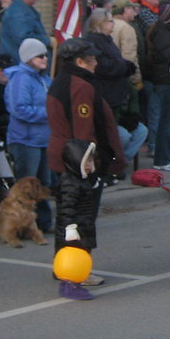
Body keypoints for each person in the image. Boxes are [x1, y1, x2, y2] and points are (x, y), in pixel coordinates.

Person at [46, 38, 125, 288]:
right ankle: (77, 268)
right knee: (82, 217)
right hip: (77, 159)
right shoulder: (80, 86)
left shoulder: (62, 81)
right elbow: (83, 130)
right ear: (79, 61)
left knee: (67, 216)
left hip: (63, 155)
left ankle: (63, 265)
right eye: (91, 59)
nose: (95, 62)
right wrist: (88, 161)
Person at [84, 8, 146, 170]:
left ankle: (118, 162)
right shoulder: (93, 41)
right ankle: (109, 163)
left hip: (117, 94)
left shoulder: (108, 40)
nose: (113, 24)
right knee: (116, 135)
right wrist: (124, 66)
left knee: (139, 131)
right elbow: (103, 66)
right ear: (100, 23)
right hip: (105, 95)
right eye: (110, 21)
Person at [5, 38, 54, 230]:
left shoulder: (44, 78)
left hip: (43, 139)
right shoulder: (21, 78)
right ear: (28, 58)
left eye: (45, 55)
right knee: (27, 185)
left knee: (43, 184)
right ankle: (21, 223)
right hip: (26, 140)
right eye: (40, 55)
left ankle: (43, 222)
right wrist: (48, 113)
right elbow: (19, 109)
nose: (45, 58)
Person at [53, 139, 103, 300]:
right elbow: (67, 207)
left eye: (90, 160)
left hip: (83, 224)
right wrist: (70, 227)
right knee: (73, 256)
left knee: (83, 253)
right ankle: (70, 285)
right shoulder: (70, 183)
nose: (89, 164)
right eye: (85, 160)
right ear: (75, 160)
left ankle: (78, 279)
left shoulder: (80, 179)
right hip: (75, 227)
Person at [141, 1, 170, 172]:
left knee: (164, 120)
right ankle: (162, 159)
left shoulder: (163, 32)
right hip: (165, 82)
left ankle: (163, 156)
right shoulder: (164, 35)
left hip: (164, 81)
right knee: (167, 122)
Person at [0, 0, 49, 64]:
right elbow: (24, 39)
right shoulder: (17, 13)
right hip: (19, 66)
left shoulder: (26, 10)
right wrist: (47, 41)